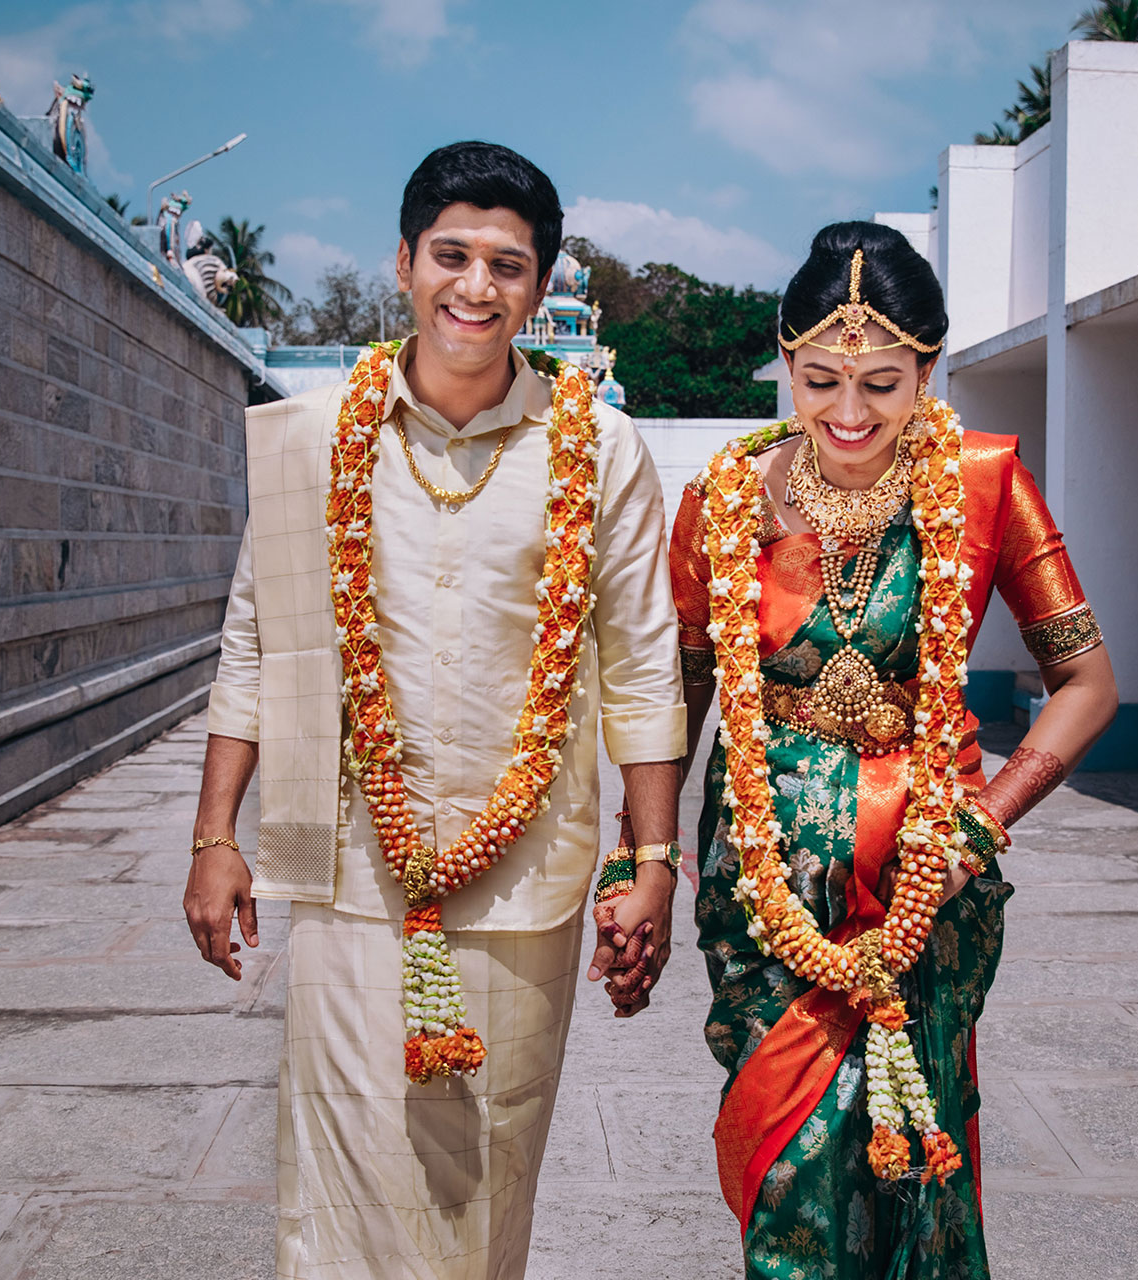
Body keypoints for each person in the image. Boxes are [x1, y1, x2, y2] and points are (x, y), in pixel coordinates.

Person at [181, 141, 687, 1280]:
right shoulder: (312, 438)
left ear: (542, 285)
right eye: (450, 255)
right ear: (403, 262)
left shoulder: (598, 449)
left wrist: (651, 855)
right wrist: (216, 834)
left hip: (525, 880)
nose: (475, 287)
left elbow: (645, 658)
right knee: (341, 1170)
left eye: (507, 264)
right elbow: (257, 639)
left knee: (481, 1182)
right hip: (353, 867)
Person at [663, 222, 1118, 1278]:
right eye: (821, 380)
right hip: (767, 890)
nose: (851, 412)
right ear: (785, 360)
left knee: (918, 1164)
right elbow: (677, 701)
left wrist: (981, 822)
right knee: (791, 1180)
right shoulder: (725, 500)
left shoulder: (985, 485)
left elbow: (1087, 684)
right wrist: (637, 859)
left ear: (930, 366)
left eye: (883, 381)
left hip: (926, 884)